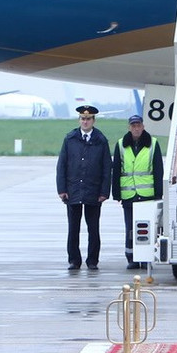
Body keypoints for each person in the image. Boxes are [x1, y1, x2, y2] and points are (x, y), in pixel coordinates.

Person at [56, 105, 111, 270]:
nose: (85, 121)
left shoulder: (101, 140)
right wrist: (62, 189)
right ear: (79, 120)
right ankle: (74, 260)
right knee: (73, 229)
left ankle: (92, 260)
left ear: (93, 121)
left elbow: (107, 167)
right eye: (83, 119)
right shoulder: (70, 139)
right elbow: (62, 166)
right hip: (73, 190)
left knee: (93, 229)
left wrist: (104, 192)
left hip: (93, 192)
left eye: (88, 119)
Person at [111, 115, 164, 269]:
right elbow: (116, 171)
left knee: (147, 228)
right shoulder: (121, 144)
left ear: (143, 126)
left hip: (147, 195)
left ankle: (147, 257)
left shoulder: (153, 144)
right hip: (129, 195)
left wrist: (158, 194)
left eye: (138, 125)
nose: (136, 128)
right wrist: (116, 194)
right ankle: (131, 257)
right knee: (130, 228)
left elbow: (158, 170)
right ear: (129, 127)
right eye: (133, 125)